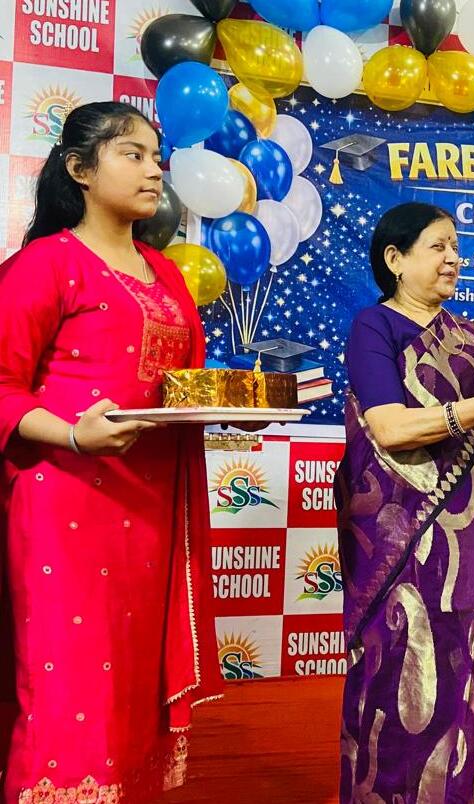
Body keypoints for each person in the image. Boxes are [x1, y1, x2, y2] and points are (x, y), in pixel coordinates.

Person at [0, 102, 222, 803]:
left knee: (127, 681)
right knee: (66, 678)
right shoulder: (46, 264)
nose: (155, 169)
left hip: (151, 509)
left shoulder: (166, 273)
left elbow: (182, 385)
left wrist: (222, 413)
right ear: (79, 169)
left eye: (157, 156)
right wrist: (72, 434)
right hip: (64, 502)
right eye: (133, 154)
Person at [335, 202, 474, 802]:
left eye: (456, 247)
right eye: (438, 246)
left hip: (472, 533)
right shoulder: (375, 327)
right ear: (395, 259)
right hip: (401, 533)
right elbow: (390, 428)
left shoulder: (473, 343)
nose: (453, 259)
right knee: (405, 666)